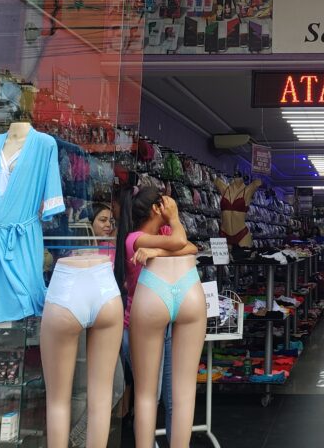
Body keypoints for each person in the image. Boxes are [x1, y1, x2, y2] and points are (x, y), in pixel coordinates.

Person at [114, 177, 197, 446]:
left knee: (167, 395)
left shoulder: (159, 236)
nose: (169, 205)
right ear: (155, 209)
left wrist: (157, 252)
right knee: (152, 394)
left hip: (160, 314)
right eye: (164, 203)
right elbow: (181, 242)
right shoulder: (134, 238)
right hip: (142, 319)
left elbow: (191, 247)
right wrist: (175, 220)